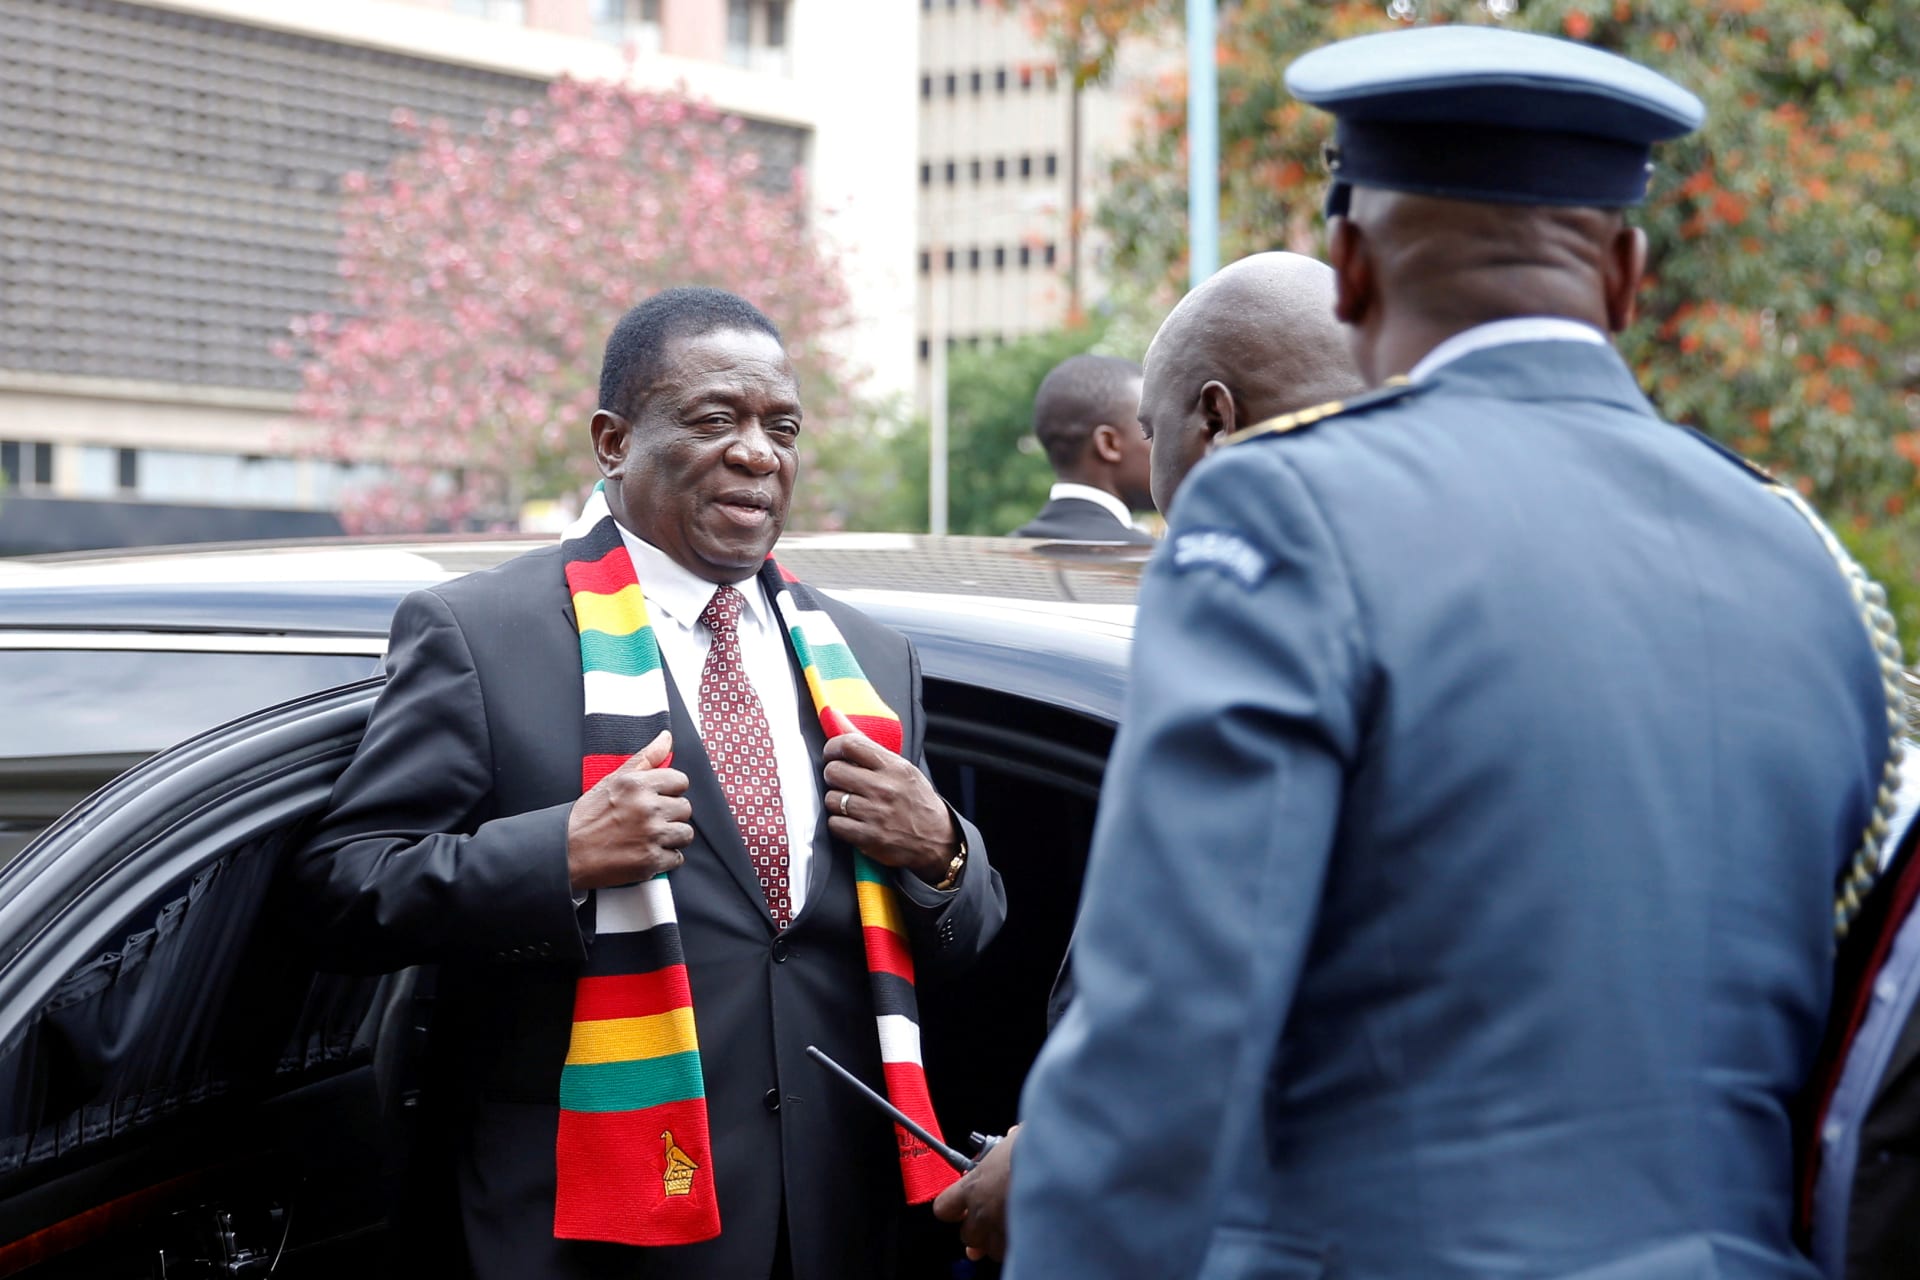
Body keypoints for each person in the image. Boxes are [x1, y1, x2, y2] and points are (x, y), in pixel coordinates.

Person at [1006, 25, 1905, 1280]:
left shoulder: (1282, 513)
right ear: (1628, 274)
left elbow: (1168, 1032)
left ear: (1352, 267)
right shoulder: (1803, 561)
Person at [292, 287, 1006, 1280]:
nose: (758, 452)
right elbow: (343, 889)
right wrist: (560, 853)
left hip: (835, 1215)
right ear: (613, 440)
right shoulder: (485, 637)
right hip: (588, 1227)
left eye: (780, 426)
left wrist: (943, 849)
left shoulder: (870, 660)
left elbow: (969, 942)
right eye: (717, 419)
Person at [929, 250, 1365, 1263]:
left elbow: (1205, 985)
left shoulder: (1245, 627)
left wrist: (1052, 1155)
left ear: (1210, 419)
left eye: (1161, 433)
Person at [1010, 353, 1155, 543]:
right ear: (1109, 444)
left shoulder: (1002, 553)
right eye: (1154, 433)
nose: (1170, 449)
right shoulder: (1160, 563)